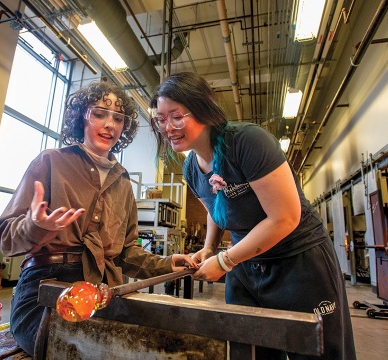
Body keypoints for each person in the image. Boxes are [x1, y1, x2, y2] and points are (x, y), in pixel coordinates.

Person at [149, 72, 356, 359]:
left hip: (297, 261)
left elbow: (284, 218)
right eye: (160, 119)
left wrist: (224, 259)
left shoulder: (247, 142)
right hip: (246, 265)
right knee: (250, 349)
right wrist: (209, 248)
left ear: (203, 110)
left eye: (176, 116)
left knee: (313, 350)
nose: (167, 127)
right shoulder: (191, 169)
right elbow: (215, 209)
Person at [0, 81, 196, 356]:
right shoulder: (50, 162)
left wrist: (168, 263)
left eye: (118, 118)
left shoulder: (123, 183)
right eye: (99, 113)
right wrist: (36, 226)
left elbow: (127, 252)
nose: (110, 124)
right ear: (81, 117)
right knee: (75, 350)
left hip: (105, 289)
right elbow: (5, 235)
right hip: (47, 288)